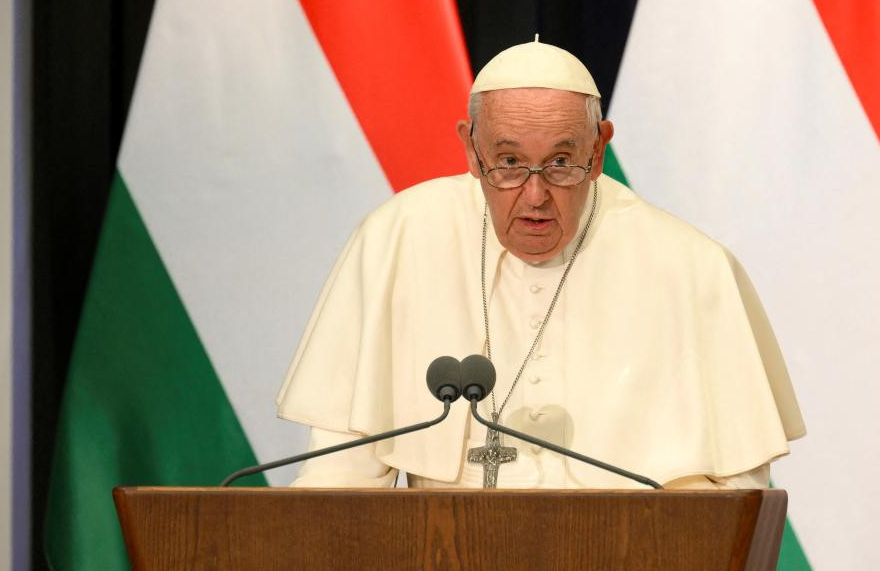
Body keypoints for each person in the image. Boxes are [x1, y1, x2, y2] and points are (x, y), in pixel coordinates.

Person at [276, 38, 805, 489]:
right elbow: (336, 481)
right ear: (469, 148)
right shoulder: (395, 239)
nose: (534, 195)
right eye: (507, 164)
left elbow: (735, 497)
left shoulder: (691, 268)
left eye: (560, 163)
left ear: (598, 152)